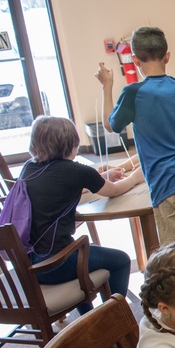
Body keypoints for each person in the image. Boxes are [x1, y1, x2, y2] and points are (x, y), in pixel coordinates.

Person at [96, 26, 175, 249]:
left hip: (166, 185)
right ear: (168, 56)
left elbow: (109, 125)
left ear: (135, 60)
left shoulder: (133, 93)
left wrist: (107, 86)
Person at [22, 115, 144, 315]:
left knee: (79, 252)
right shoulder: (75, 170)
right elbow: (115, 191)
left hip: (31, 264)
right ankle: (115, 317)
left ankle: (88, 318)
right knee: (120, 260)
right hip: (58, 263)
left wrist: (102, 177)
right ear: (71, 144)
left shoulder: (29, 168)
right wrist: (136, 177)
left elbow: (58, 188)